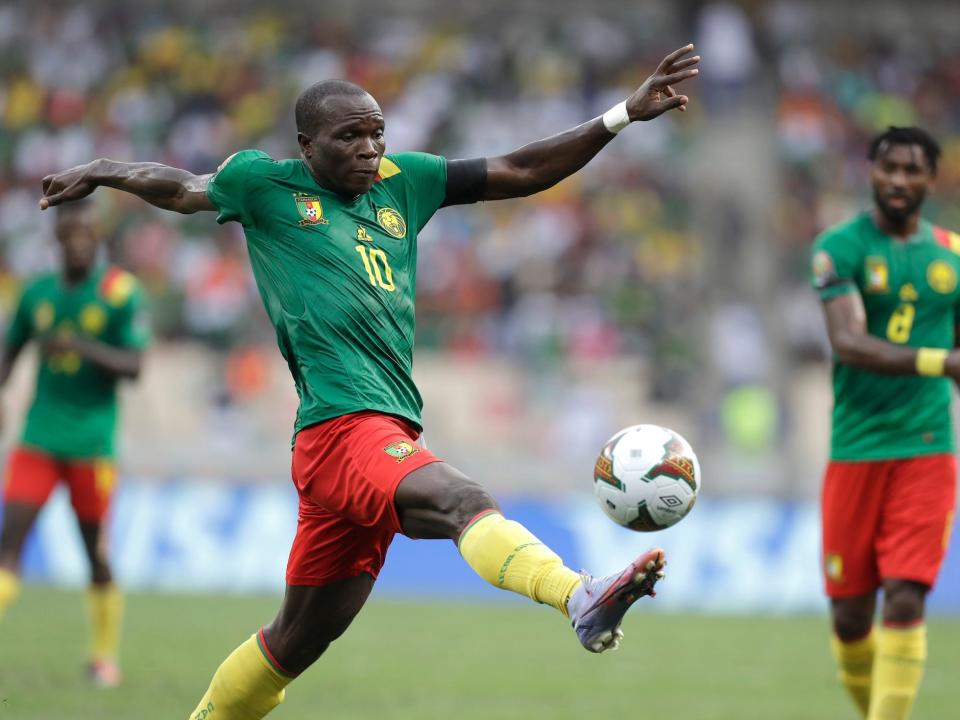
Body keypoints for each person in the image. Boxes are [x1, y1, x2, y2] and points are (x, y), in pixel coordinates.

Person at [38, 44, 700, 719]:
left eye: (377, 132)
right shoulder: (263, 186)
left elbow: (520, 169)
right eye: (349, 135)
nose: (368, 147)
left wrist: (619, 116)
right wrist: (102, 169)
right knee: (462, 499)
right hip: (340, 428)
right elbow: (178, 187)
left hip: (377, 433)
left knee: (291, 644)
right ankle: (577, 597)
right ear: (306, 144)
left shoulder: (403, 183)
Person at [810, 126, 959, 720]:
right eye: (888, 168)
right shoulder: (837, 248)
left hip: (926, 446)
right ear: (870, 171)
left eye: (912, 170)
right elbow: (848, 342)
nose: (898, 180)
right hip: (855, 445)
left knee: (905, 594)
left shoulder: (953, 256)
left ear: (931, 178)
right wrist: (938, 361)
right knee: (850, 615)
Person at [0, 199, 149, 687]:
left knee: (95, 556)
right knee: (10, 544)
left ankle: (104, 656)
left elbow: (134, 367)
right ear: (59, 240)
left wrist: (79, 346)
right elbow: (9, 354)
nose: (80, 242)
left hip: (92, 442)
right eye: (71, 235)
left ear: (97, 236)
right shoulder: (36, 293)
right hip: (38, 436)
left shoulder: (118, 292)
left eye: (88, 233)